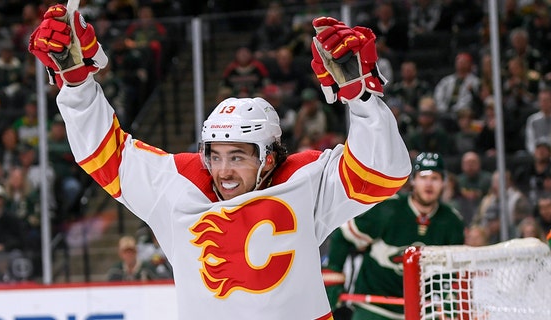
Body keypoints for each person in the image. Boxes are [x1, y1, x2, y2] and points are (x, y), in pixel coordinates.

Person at [29, 9, 411, 319]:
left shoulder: (304, 180)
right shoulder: (177, 185)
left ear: (269, 158)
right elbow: (103, 153)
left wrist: (362, 98)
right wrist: (76, 85)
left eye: (239, 156)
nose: (223, 170)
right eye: (215, 155)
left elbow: (384, 171)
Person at [324, 152, 464, 319]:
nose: (429, 184)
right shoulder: (388, 209)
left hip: (422, 310)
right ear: (413, 181)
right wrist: (333, 276)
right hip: (374, 308)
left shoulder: (452, 221)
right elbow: (344, 236)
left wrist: (449, 300)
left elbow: (453, 269)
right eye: (423, 177)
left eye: (435, 178)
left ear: (443, 183)